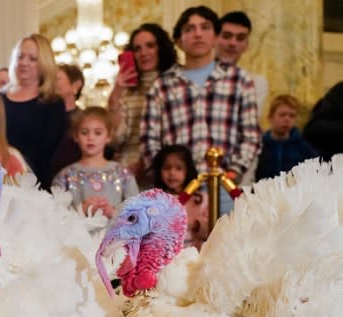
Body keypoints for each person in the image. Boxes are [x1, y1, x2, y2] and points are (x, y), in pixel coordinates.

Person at [141, 5, 260, 215]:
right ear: (179, 40)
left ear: (215, 37)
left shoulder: (238, 79)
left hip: (225, 188)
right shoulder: (163, 85)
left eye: (205, 27)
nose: (197, 33)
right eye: (189, 29)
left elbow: (251, 135)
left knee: (225, 246)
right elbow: (149, 141)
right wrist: (166, 178)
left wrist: (232, 173)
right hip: (178, 193)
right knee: (180, 247)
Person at [107, 23, 177, 183]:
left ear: (161, 48)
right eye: (137, 49)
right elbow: (114, 138)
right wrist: (117, 91)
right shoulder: (125, 91)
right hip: (125, 173)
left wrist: (145, 163)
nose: (143, 53)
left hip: (165, 170)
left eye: (150, 46)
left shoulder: (175, 84)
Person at [1, 33, 67, 189]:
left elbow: (47, 151)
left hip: (34, 184)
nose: (24, 62)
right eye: (20, 57)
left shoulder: (53, 103)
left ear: (44, 63)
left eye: (32, 59)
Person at [52, 106, 138, 219]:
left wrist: (113, 212)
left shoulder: (122, 173)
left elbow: (138, 213)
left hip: (114, 235)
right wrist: (81, 210)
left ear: (108, 136)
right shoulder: (64, 176)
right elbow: (55, 216)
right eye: (84, 132)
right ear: (76, 136)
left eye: (97, 133)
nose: (90, 137)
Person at [150, 144, 207, 249]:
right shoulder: (154, 199)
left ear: (188, 171)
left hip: (195, 255)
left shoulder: (201, 199)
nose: (172, 173)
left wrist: (196, 224)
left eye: (178, 168)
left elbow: (212, 231)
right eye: (167, 168)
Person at [216, 11, 268, 116]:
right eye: (226, 36)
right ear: (214, 39)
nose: (233, 43)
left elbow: (248, 122)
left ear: (246, 45)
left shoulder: (255, 83)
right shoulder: (194, 76)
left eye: (240, 38)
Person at [255, 95, 318, 181]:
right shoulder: (259, 145)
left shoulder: (303, 147)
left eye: (292, 116)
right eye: (282, 115)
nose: (287, 119)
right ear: (270, 118)